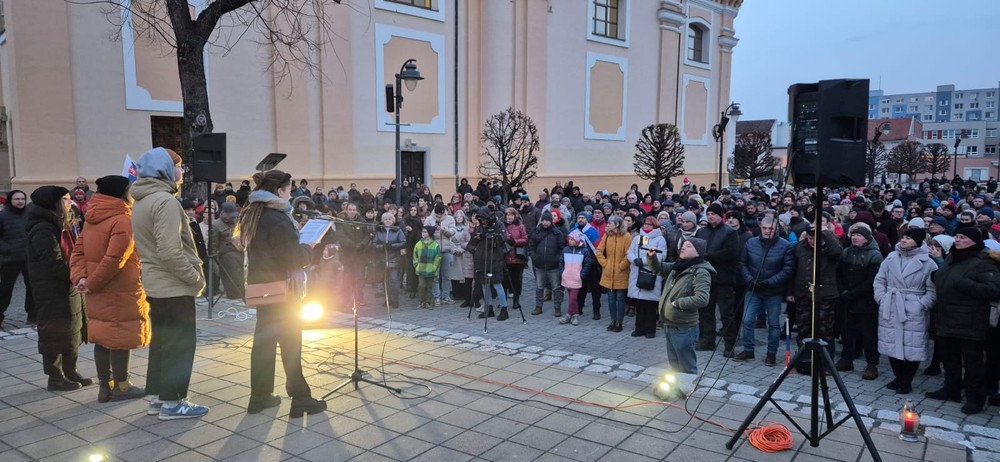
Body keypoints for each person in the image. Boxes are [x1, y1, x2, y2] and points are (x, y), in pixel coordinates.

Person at [236, 170, 326, 417]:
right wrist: (308, 248)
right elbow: (291, 258)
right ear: (279, 191)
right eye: (289, 190)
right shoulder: (276, 218)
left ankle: (260, 396)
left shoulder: (255, 213)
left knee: (263, 344)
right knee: (291, 344)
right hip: (283, 289)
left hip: (263, 288)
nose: (291, 194)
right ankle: (301, 398)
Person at [131, 147, 208, 420]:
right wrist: (196, 279)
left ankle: (157, 397)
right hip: (173, 285)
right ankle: (175, 401)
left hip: (156, 284)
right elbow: (170, 251)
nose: (182, 171)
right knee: (180, 345)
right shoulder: (165, 201)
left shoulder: (142, 199)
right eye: (178, 165)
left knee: (163, 343)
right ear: (164, 169)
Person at [69, 176, 149, 402]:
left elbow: (78, 253)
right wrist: (90, 282)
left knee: (103, 335)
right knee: (120, 336)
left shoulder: (92, 217)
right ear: (122, 192)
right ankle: (122, 386)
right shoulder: (123, 219)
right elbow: (115, 260)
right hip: (120, 289)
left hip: (97, 290)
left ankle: (105, 387)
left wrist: (82, 279)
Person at [926, 227, 1000, 414]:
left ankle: (976, 398)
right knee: (949, 358)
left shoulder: (984, 260)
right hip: (947, 315)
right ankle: (952, 390)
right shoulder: (953, 256)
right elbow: (944, 276)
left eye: (962, 237)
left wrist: (964, 283)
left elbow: (991, 290)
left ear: (973, 240)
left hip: (970, 319)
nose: (957, 240)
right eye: (957, 236)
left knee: (972, 362)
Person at [26, 186, 91, 392]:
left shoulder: (61, 224)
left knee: (73, 328)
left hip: (66, 285)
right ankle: (55, 377)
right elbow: (51, 262)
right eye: (65, 199)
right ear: (52, 203)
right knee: (54, 330)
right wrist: (76, 276)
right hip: (51, 289)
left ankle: (71, 370)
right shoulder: (43, 229)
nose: (70, 203)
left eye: (70, 199)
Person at [874, 226, 937, 395]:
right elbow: (879, 280)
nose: (903, 240)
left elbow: (932, 289)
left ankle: (907, 380)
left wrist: (922, 304)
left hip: (913, 307)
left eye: (908, 238)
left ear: (918, 241)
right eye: (903, 237)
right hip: (891, 303)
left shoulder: (928, 262)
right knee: (890, 342)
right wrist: (881, 297)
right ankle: (898, 376)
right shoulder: (891, 257)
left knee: (912, 346)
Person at [733, 217, 795, 366]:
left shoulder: (785, 246)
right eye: (765, 228)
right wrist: (749, 279)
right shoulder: (751, 243)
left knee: (774, 324)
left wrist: (770, 282)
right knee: (747, 320)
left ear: (776, 229)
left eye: (771, 229)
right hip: (753, 288)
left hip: (773, 290)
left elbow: (787, 269)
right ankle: (748, 350)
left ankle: (771, 354)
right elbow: (742, 264)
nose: (767, 231)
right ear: (761, 228)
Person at [649, 237, 714, 374]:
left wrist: (678, 303)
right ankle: (675, 391)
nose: (683, 247)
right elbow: (659, 269)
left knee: (686, 365)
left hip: (684, 328)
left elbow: (702, 298)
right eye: (683, 245)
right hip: (669, 323)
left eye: (688, 246)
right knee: (674, 363)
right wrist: (652, 257)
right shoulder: (679, 265)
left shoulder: (701, 272)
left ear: (698, 253)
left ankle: (685, 392)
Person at [791, 224, 843, 374]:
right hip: (803, 294)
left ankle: (826, 364)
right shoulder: (800, 248)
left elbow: (837, 251)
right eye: (810, 237)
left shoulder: (829, 249)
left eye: (816, 238)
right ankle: (804, 361)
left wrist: (826, 232)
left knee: (825, 330)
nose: (812, 241)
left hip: (825, 295)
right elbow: (793, 270)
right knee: (804, 329)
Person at [835, 224, 884, 380]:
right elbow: (839, 273)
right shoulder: (846, 252)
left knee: (868, 334)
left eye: (859, 235)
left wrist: (854, 293)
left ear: (867, 239)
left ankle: (872, 364)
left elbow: (872, 280)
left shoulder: (875, 255)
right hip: (847, 299)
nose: (855, 238)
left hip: (866, 301)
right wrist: (843, 290)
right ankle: (846, 358)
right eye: (854, 235)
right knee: (847, 331)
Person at [695, 202, 740, 356]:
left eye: (713, 214)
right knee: (705, 312)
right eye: (708, 214)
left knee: (726, 314)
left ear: (721, 215)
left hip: (723, 279)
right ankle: (708, 340)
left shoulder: (729, 232)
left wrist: (707, 256)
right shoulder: (701, 232)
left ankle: (729, 344)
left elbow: (730, 253)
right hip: (705, 278)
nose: (710, 216)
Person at [627, 216, 667, 338]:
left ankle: (650, 330)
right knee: (639, 304)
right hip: (637, 272)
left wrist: (643, 261)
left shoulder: (660, 239)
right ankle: (639, 328)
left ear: (654, 226)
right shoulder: (640, 238)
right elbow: (631, 251)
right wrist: (634, 259)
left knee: (650, 305)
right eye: (645, 224)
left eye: (649, 225)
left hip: (650, 273)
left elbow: (661, 256)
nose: (645, 226)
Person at [0, 190, 34, 326]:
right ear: (10, 200)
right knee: (5, 289)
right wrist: (7, 249)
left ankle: (33, 315)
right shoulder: (2, 216)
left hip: (28, 257)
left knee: (31, 288)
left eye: (22, 199)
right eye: (17, 199)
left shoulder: (29, 214)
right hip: (10, 259)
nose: (20, 201)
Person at [596, 216, 631, 332]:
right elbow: (599, 251)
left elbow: (628, 254)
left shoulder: (626, 236)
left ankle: (619, 322)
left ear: (617, 225)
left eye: (610, 223)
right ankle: (612, 320)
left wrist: (621, 266)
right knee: (611, 299)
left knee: (620, 299)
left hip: (621, 273)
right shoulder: (607, 235)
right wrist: (604, 264)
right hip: (608, 271)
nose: (608, 225)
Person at [529, 211, 566, 317]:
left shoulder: (557, 232)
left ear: (551, 221)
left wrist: (557, 259)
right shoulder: (537, 231)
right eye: (543, 220)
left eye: (547, 220)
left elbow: (561, 247)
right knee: (539, 287)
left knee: (556, 287)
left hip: (553, 265)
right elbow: (531, 245)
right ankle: (538, 306)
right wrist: (534, 257)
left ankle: (557, 308)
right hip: (539, 264)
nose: (545, 222)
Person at [209, 202, 245, 300]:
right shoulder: (216, 225)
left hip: (238, 254)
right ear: (223, 213)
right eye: (230, 217)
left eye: (234, 216)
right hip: (225, 257)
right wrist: (217, 268)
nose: (233, 219)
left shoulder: (237, 222)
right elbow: (212, 247)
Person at [559, 230, 595, 326]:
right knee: (571, 296)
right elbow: (561, 262)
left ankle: (569, 314)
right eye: (569, 239)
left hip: (576, 278)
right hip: (567, 277)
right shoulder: (566, 249)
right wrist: (562, 272)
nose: (569, 241)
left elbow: (587, 264)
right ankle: (574, 314)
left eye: (572, 239)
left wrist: (581, 275)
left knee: (573, 297)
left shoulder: (584, 251)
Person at [424, 203, 457, 306]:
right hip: (434, 251)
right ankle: (436, 297)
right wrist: (433, 229)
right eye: (437, 214)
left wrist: (444, 229)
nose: (438, 216)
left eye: (440, 214)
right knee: (435, 276)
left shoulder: (450, 218)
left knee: (447, 276)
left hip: (447, 251)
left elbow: (453, 231)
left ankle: (446, 296)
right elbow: (425, 232)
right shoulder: (429, 219)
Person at [373, 212, 407, 308]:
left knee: (394, 280)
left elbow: (403, 242)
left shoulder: (398, 230)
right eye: (386, 219)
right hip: (383, 259)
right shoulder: (379, 231)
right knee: (385, 281)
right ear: (383, 221)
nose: (387, 221)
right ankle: (388, 300)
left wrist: (392, 246)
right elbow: (374, 243)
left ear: (393, 221)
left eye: (389, 219)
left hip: (394, 259)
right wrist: (382, 247)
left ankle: (395, 300)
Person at [502, 207, 528, 312]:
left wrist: (515, 241)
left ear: (515, 216)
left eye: (511, 215)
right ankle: (503, 302)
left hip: (517, 257)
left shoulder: (520, 226)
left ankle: (516, 300)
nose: (509, 217)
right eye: (507, 215)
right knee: (504, 280)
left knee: (516, 280)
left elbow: (525, 239)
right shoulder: (502, 226)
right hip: (505, 257)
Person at [413, 225, 442, 309]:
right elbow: (415, 255)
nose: (423, 233)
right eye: (422, 231)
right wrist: (416, 265)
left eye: (425, 232)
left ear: (429, 233)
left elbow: (438, 257)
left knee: (429, 286)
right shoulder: (418, 244)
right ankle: (422, 301)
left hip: (430, 270)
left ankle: (428, 302)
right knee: (421, 286)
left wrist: (434, 266)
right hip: (421, 269)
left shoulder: (435, 245)